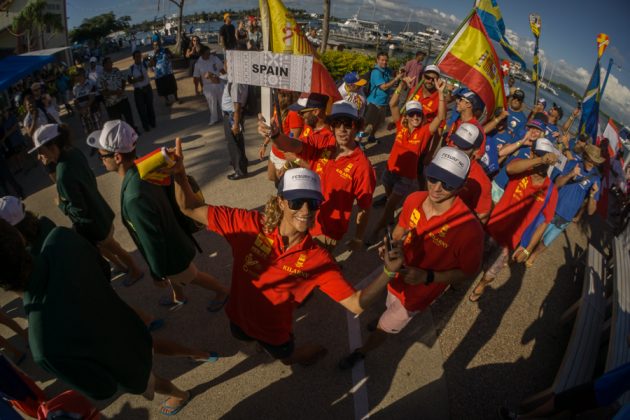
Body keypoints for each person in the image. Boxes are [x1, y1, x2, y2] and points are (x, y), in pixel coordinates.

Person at [172, 156, 405, 365]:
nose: (305, 210)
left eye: (312, 203)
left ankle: (304, 355)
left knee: (287, 359)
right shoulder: (247, 224)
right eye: (296, 201)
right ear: (281, 201)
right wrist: (180, 176)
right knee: (244, 339)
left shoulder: (318, 258)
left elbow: (355, 304)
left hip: (275, 334)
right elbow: (189, 207)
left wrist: (388, 272)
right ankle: (254, 345)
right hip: (237, 318)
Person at [0, 219, 196, 416]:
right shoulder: (62, 239)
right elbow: (104, 270)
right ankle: (201, 354)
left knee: (152, 381)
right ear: (19, 236)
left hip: (125, 367)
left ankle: (180, 394)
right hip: (130, 324)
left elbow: (103, 389)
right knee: (155, 346)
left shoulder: (42, 346)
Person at [339, 147, 485, 369]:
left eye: (447, 184)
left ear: (461, 186)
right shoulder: (415, 198)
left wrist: (427, 276)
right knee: (386, 306)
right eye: (433, 178)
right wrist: (389, 246)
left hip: (416, 296)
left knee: (384, 327)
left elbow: (468, 272)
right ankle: (377, 324)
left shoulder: (469, 230)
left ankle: (363, 351)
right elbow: (400, 229)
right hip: (393, 278)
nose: (436, 188)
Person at [86, 120, 229, 310]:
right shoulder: (144, 169)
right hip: (173, 236)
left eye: (102, 156)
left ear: (118, 157)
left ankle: (222, 291)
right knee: (180, 277)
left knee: (192, 276)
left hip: (171, 252)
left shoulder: (134, 197)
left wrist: (157, 272)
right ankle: (178, 296)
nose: (101, 160)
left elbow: (152, 240)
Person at [30, 123, 144, 284]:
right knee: (104, 246)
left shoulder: (63, 174)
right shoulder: (73, 152)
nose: (39, 156)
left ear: (53, 146)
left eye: (40, 150)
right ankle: (120, 265)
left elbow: (79, 211)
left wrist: (61, 204)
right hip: (99, 210)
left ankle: (135, 270)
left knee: (113, 246)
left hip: (93, 222)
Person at [260, 100, 376, 251]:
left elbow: (364, 208)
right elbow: (292, 145)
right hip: (302, 215)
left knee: (310, 268)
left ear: (357, 127)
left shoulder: (363, 167)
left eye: (348, 124)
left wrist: (358, 238)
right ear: (332, 126)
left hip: (326, 230)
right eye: (337, 123)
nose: (342, 129)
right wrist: (275, 135)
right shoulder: (323, 142)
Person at [470, 138, 559, 302]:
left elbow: (546, 221)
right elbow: (510, 168)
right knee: (472, 258)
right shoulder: (521, 168)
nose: (544, 161)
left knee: (492, 271)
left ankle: (482, 284)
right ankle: (463, 279)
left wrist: (527, 249)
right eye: (540, 155)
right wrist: (540, 159)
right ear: (532, 154)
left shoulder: (551, 191)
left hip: (510, 242)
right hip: (491, 228)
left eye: (547, 157)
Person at [369, 78, 446, 241]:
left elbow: (440, 118)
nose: (415, 117)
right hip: (390, 172)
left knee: (390, 205)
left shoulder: (425, 132)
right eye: (412, 113)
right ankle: (389, 220)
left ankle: (375, 232)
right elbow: (393, 104)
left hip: (405, 178)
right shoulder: (401, 127)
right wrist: (402, 85)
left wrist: (440, 93)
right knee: (390, 201)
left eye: (418, 114)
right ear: (408, 116)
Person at [526, 144, 603, 266]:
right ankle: (526, 251)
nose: (591, 164)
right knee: (535, 232)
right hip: (553, 207)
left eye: (595, 162)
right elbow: (557, 183)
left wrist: (592, 195)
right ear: (585, 156)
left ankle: (533, 256)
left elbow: (590, 211)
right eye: (590, 160)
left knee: (547, 240)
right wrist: (571, 174)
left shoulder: (596, 179)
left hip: (566, 216)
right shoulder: (573, 164)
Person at [447, 122, 493, 223]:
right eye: (455, 142)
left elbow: (483, 214)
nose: (456, 148)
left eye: (463, 146)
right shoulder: (444, 157)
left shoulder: (481, 182)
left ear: (476, 151)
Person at [258, 90, 303, 183]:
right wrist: (264, 145)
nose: (275, 96)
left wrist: (286, 165)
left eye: (278, 94)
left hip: (284, 158)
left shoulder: (293, 114)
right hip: (274, 152)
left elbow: (293, 144)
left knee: (283, 187)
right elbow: (270, 129)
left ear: (286, 97)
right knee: (271, 177)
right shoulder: (276, 108)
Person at [364, 52, 404, 143]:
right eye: (382, 60)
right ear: (377, 60)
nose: (384, 62)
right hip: (374, 103)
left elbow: (394, 72)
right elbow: (384, 87)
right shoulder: (376, 72)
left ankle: (371, 136)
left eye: (386, 60)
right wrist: (396, 79)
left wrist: (400, 72)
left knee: (378, 123)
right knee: (365, 124)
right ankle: (357, 141)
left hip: (383, 102)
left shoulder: (385, 69)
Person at [221, 60, 249, 180]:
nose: (224, 66)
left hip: (233, 116)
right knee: (237, 142)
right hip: (231, 115)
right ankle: (240, 163)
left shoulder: (236, 82)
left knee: (234, 143)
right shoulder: (235, 78)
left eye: (226, 64)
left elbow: (237, 105)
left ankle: (240, 170)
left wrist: (236, 124)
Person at [97, 57, 137, 131]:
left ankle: (132, 132)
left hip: (122, 99)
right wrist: (115, 92)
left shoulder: (116, 70)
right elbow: (101, 91)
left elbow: (123, 80)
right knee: (117, 123)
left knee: (129, 118)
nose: (111, 64)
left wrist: (122, 89)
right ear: (105, 65)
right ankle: (122, 137)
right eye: (109, 63)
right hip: (112, 104)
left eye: (111, 62)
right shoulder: (101, 77)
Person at [193, 46, 224, 126]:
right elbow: (196, 78)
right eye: (207, 54)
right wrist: (196, 89)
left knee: (223, 102)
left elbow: (222, 70)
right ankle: (214, 119)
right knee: (212, 103)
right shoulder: (198, 64)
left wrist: (226, 79)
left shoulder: (214, 58)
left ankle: (227, 117)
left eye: (209, 53)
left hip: (219, 83)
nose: (209, 55)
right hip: (208, 86)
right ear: (202, 54)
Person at [128, 50, 157, 133]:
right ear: (133, 58)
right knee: (141, 109)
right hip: (138, 91)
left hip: (147, 88)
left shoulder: (144, 64)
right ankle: (145, 125)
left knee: (149, 106)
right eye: (136, 57)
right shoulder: (131, 68)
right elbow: (130, 80)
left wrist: (148, 57)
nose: (138, 58)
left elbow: (152, 63)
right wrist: (136, 79)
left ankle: (152, 122)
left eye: (139, 56)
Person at [149, 40, 180, 106]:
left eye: (157, 44)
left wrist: (170, 55)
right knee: (163, 88)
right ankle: (167, 100)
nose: (156, 46)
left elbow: (172, 56)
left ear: (160, 44)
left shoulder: (165, 50)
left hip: (168, 72)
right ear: (153, 46)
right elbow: (151, 65)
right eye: (155, 45)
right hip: (159, 74)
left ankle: (176, 99)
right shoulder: (151, 53)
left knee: (173, 86)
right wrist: (154, 55)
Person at [72, 68, 101, 135]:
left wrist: (85, 108)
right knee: (89, 134)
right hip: (83, 114)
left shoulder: (91, 83)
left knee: (98, 131)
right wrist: (80, 109)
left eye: (77, 75)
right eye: (75, 75)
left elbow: (92, 97)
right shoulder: (75, 88)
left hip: (93, 111)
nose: (76, 77)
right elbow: (75, 101)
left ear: (82, 75)